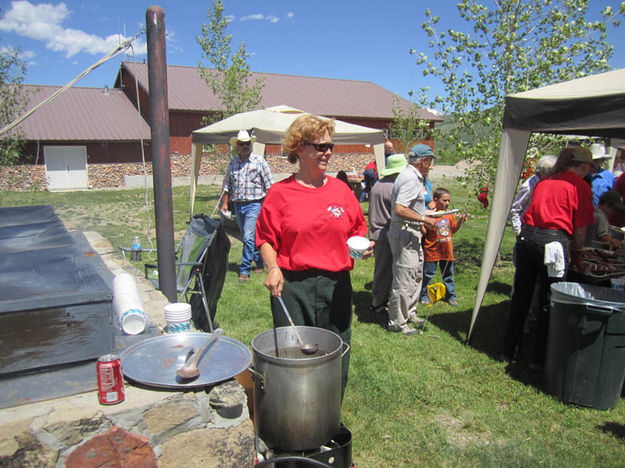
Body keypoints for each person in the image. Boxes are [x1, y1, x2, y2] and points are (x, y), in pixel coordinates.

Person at [255, 114, 373, 398]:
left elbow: (357, 230)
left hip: (337, 285)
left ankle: (329, 418)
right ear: (299, 148)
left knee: (336, 353)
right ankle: (293, 420)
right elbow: (266, 240)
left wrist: (363, 247)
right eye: (321, 146)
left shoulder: (342, 191)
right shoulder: (280, 193)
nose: (328, 152)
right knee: (294, 355)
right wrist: (273, 268)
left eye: (330, 146)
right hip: (294, 287)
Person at [501, 146, 595, 369]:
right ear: (583, 166)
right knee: (549, 300)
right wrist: (578, 255)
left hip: (528, 238)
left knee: (522, 296)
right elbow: (580, 231)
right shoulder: (579, 186)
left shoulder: (546, 181)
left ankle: (508, 348)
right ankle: (538, 358)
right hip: (551, 243)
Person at [386, 144, 438, 335]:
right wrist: (425, 219)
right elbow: (400, 209)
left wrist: (424, 217)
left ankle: (410, 313)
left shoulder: (416, 178)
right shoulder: (410, 179)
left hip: (412, 232)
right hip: (404, 234)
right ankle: (397, 323)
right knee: (403, 278)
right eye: (430, 161)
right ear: (424, 161)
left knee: (415, 275)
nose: (431, 165)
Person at [221, 129, 274, 282]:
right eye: (242, 144)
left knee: (249, 236)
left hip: (255, 204)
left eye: (247, 144)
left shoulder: (259, 161)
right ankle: (258, 261)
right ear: (237, 146)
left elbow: (270, 185)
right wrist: (225, 203)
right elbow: (228, 185)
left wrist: (269, 206)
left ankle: (244, 269)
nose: (245, 146)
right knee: (248, 237)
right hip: (238, 205)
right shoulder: (233, 163)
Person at [367, 153, 407, 315]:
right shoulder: (392, 188)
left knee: (383, 269)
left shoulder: (378, 184)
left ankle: (381, 299)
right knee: (384, 271)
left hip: (376, 232)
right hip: (384, 233)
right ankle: (377, 302)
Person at [419, 187, 467, 307]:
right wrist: (422, 224)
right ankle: (423, 295)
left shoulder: (450, 215)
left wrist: (460, 220)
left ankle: (451, 295)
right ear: (436, 200)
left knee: (448, 275)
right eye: (444, 200)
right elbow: (424, 231)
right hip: (432, 249)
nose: (447, 203)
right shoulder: (430, 215)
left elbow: (453, 230)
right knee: (428, 274)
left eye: (448, 201)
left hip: (447, 250)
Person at [509, 155, 557, 237]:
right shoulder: (528, 187)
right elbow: (515, 210)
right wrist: (518, 231)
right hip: (527, 229)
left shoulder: (550, 184)